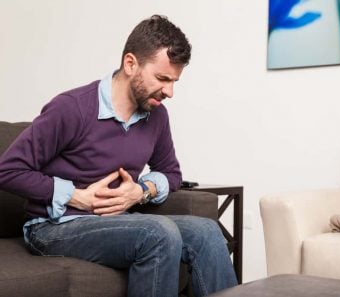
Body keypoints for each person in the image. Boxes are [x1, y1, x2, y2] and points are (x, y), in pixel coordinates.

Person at [0, 15, 237, 297]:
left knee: (208, 233)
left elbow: (171, 173)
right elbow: (8, 170)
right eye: (162, 78)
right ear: (130, 64)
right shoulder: (72, 108)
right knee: (158, 233)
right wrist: (76, 195)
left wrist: (141, 191)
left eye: (174, 81)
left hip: (115, 221)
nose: (170, 92)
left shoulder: (156, 116)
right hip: (53, 227)